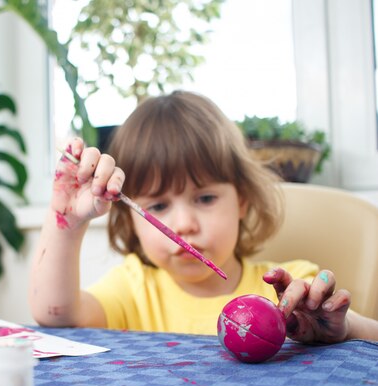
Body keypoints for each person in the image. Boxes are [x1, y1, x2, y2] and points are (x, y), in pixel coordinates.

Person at [29, 90, 378, 343]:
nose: (183, 225)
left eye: (205, 198)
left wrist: (344, 332)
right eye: (158, 206)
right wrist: (67, 223)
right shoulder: (133, 290)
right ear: (132, 219)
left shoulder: (293, 290)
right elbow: (56, 316)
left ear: (242, 200)